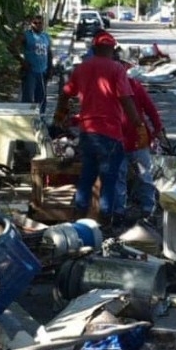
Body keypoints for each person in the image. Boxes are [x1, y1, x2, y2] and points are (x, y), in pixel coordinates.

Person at [53, 31, 143, 228]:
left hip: (87, 132)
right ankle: (105, 223)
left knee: (86, 176)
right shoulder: (117, 68)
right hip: (110, 133)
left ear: (94, 49)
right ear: (111, 49)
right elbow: (125, 98)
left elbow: (65, 93)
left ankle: (78, 219)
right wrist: (137, 122)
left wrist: (59, 115)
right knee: (108, 181)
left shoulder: (81, 68)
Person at [115, 53, 168, 222]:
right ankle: (119, 211)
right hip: (118, 139)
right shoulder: (109, 89)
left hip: (138, 139)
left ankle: (147, 208)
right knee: (119, 176)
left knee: (144, 174)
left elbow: (151, 110)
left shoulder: (135, 87)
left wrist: (158, 129)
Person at [12, 14, 53, 114]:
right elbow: (12, 46)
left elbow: (49, 53)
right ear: (31, 24)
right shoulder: (26, 35)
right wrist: (22, 61)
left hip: (43, 72)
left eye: (40, 23)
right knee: (28, 98)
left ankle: (40, 120)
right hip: (30, 72)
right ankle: (26, 120)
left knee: (42, 98)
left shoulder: (46, 36)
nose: (38, 25)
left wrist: (51, 68)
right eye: (35, 23)